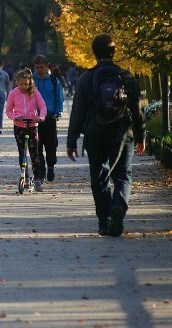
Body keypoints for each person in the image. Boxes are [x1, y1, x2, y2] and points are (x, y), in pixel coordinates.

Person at [67, 34, 145, 237]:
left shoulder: (87, 78)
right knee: (123, 175)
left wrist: (71, 140)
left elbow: (78, 111)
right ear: (114, 52)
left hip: (95, 132)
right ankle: (119, 205)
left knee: (99, 177)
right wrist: (140, 136)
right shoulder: (126, 77)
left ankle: (104, 221)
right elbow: (137, 109)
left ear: (94, 53)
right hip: (122, 133)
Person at [6, 68, 47, 192]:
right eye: (21, 84)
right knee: (22, 151)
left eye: (26, 84)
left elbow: (43, 106)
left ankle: (37, 178)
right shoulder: (13, 93)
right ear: (17, 83)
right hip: (19, 126)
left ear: (30, 83)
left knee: (34, 152)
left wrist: (40, 117)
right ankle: (25, 175)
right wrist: (15, 117)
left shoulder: (34, 92)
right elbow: (8, 110)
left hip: (32, 126)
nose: (23, 86)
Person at [33, 55, 64, 182]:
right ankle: (41, 171)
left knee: (51, 145)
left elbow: (59, 98)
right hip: (35, 118)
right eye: (37, 67)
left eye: (42, 67)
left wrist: (57, 112)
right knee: (37, 146)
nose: (40, 70)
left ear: (47, 67)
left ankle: (51, 165)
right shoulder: (31, 80)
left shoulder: (53, 80)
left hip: (50, 117)